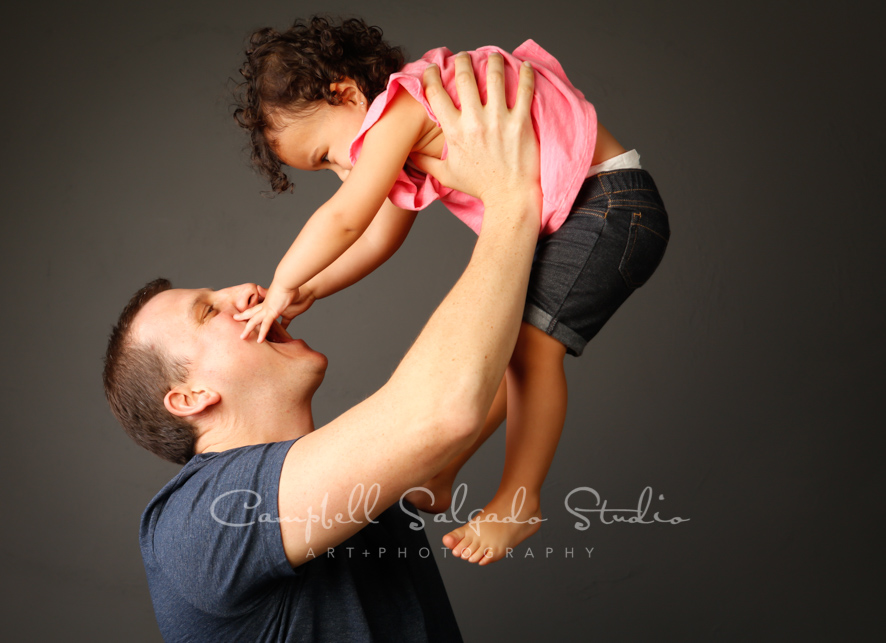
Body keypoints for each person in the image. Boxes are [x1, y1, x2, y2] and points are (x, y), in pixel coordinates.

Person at [103, 54, 539, 641]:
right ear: (189, 397)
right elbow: (444, 412)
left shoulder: (356, 490)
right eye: (209, 310)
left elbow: (510, 357)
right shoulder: (199, 520)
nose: (244, 292)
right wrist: (512, 199)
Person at [231, 16, 671, 564]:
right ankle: (443, 469)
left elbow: (347, 219)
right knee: (508, 341)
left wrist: (281, 283)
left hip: (610, 203)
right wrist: (312, 288)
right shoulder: (408, 124)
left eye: (326, 155)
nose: (340, 171)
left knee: (532, 349)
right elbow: (375, 239)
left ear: (344, 93)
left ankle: (519, 499)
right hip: (598, 211)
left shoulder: (404, 107)